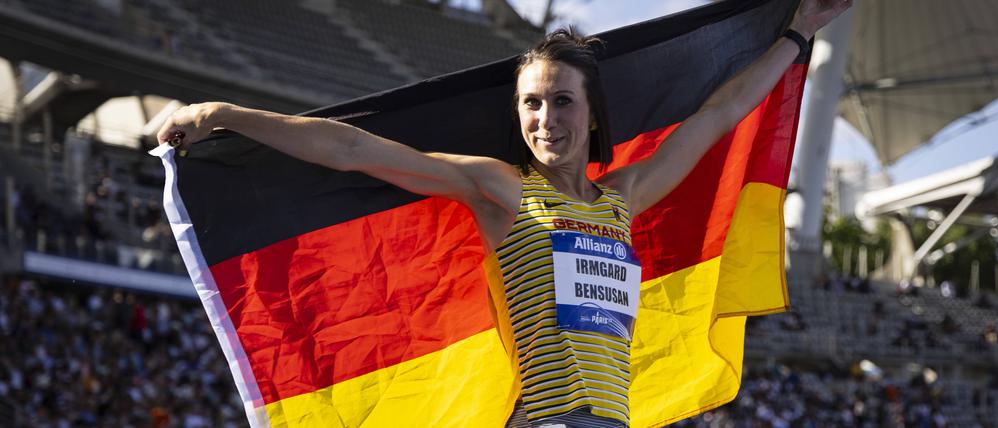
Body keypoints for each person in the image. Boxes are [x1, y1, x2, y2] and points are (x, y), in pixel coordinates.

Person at [158, 1, 851, 426]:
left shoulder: (625, 199)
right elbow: (350, 148)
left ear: (592, 113)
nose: (544, 118)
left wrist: (797, 32)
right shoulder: (503, 190)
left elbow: (723, 112)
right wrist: (221, 114)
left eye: (561, 101)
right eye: (531, 103)